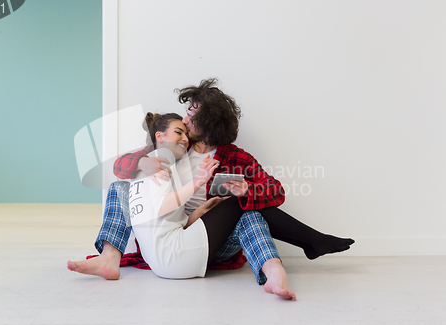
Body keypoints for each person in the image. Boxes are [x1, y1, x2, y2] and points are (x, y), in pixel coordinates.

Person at [67, 78, 353, 292]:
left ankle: (273, 272)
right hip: (173, 236)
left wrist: (247, 191)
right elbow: (120, 166)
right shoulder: (177, 143)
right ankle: (109, 258)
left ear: (210, 122)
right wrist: (144, 164)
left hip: (217, 242)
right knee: (121, 187)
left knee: (246, 211)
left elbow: (276, 191)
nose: (185, 118)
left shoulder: (237, 158)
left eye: (193, 114)